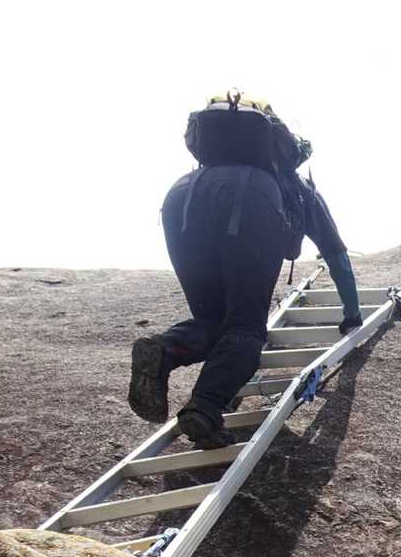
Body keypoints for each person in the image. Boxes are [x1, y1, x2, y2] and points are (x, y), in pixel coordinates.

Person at [128, 93, 364, 449]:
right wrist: (352, 313)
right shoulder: (296, 186)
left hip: (182, 200)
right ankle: (205, 407)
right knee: (245, 328)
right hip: (248, 201)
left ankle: (164, 349)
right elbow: (337, 255)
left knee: (213, 322)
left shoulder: (203, 172)